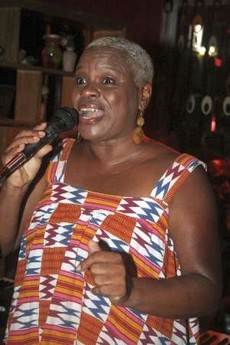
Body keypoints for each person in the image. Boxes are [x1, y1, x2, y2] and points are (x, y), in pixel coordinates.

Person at [0, 37, 222, 345]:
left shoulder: (181, 177)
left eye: (107, 80)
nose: (87, 91)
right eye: (80, 80)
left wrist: (131, 289)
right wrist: (15, 187)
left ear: (143, 95)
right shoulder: (52, 159)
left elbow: (207, 290)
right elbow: (4, 244)